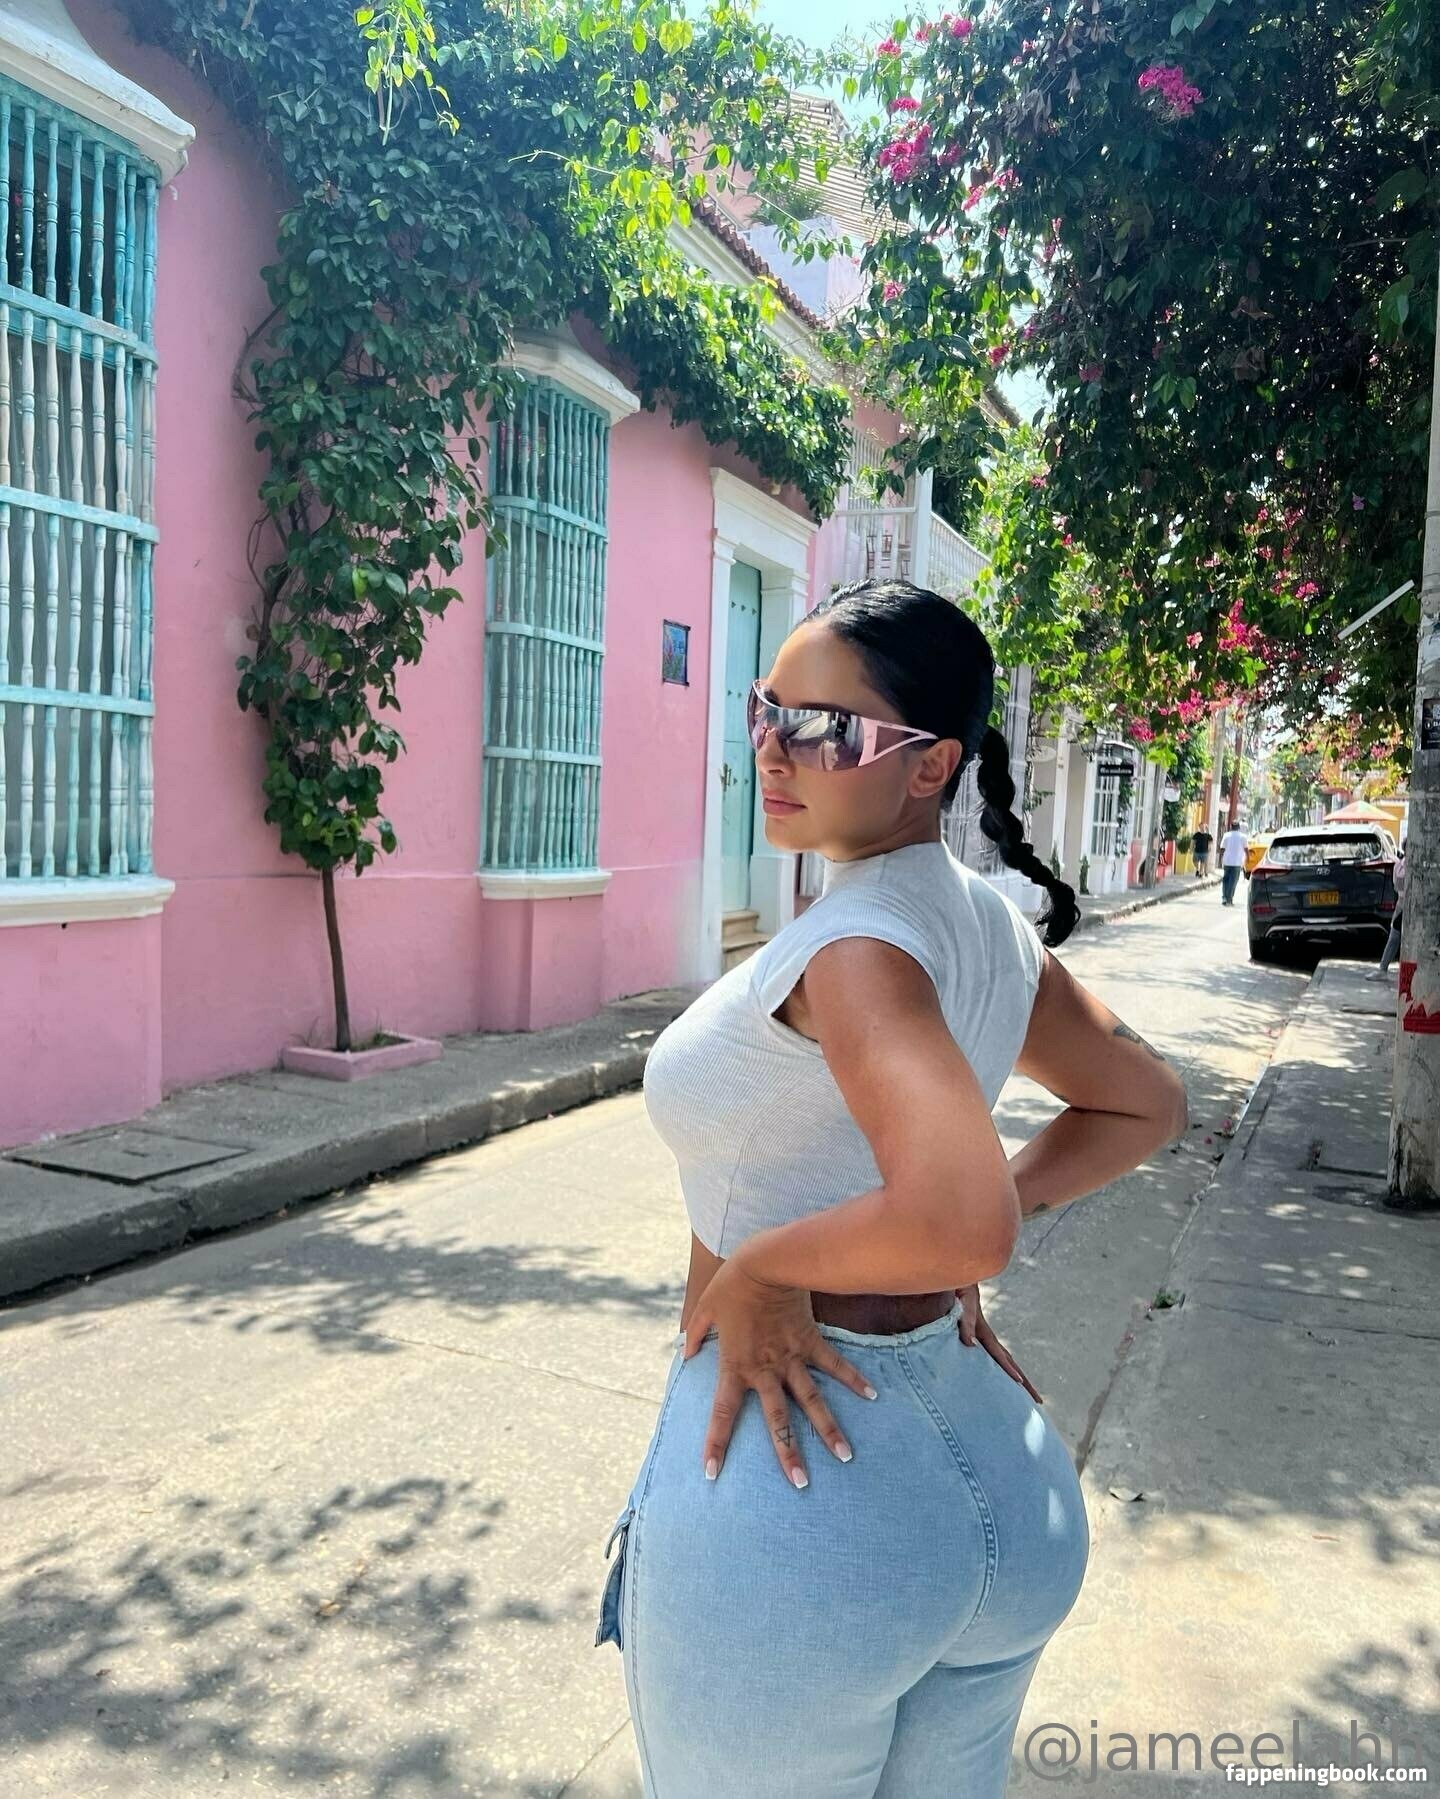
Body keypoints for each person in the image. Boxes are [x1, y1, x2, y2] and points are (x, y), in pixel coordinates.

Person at [597, 579, 1189, 1798]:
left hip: (811, 1493)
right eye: (767, 711)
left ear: (931, 766)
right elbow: (1145, 1104)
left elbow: (960, 1217)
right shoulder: (988, 926)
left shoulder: (856, 945)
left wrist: (768, 1263)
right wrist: (954, 1236)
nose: (775, 750)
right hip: (999, 1475)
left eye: (826, 728)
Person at [1369, 841, 1406, 981]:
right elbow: (1398, 888)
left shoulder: (1400, 865)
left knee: (1395, 937)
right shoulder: (1401, 865)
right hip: (1404, 905)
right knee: (1395, 936)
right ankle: (1383, 969)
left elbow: (1397, 887)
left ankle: (1384, 968)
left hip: (1406, 905)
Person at [1219, 821, 1249, 906]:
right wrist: (1248, 858)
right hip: (1237, 863)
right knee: (1233, 882)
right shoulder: (1243, 837)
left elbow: (1222, 849)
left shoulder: (1226, 835)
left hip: (1227, 862)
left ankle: (1224, 898)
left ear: (1231, 827)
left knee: (1225, 880)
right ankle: (1229, 898)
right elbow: (1246, 849)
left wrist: (1221, 858)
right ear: (1239, 827)